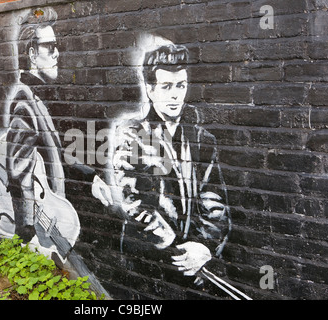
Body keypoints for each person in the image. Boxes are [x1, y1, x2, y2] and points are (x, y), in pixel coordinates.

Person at [94, 37, 231, 278]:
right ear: (150, 89)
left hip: (194, 263)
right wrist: (177, 246)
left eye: (181, 85)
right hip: (147, 262)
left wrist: (202, 246)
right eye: (166, 86)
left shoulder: (202, 140)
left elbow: (214, 202)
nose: (175, 95)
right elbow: (133, 203)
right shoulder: (132, 135)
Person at [0, 8, 79, 267]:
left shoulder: (38, 98)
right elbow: (19, 168)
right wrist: (29, 231)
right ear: (32, 54)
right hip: (43, 228)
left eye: (56, 46)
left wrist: (91, 177)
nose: (57, 53)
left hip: (53, 219)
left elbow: (54, 155)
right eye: (50, 47)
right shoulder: (25, 100)